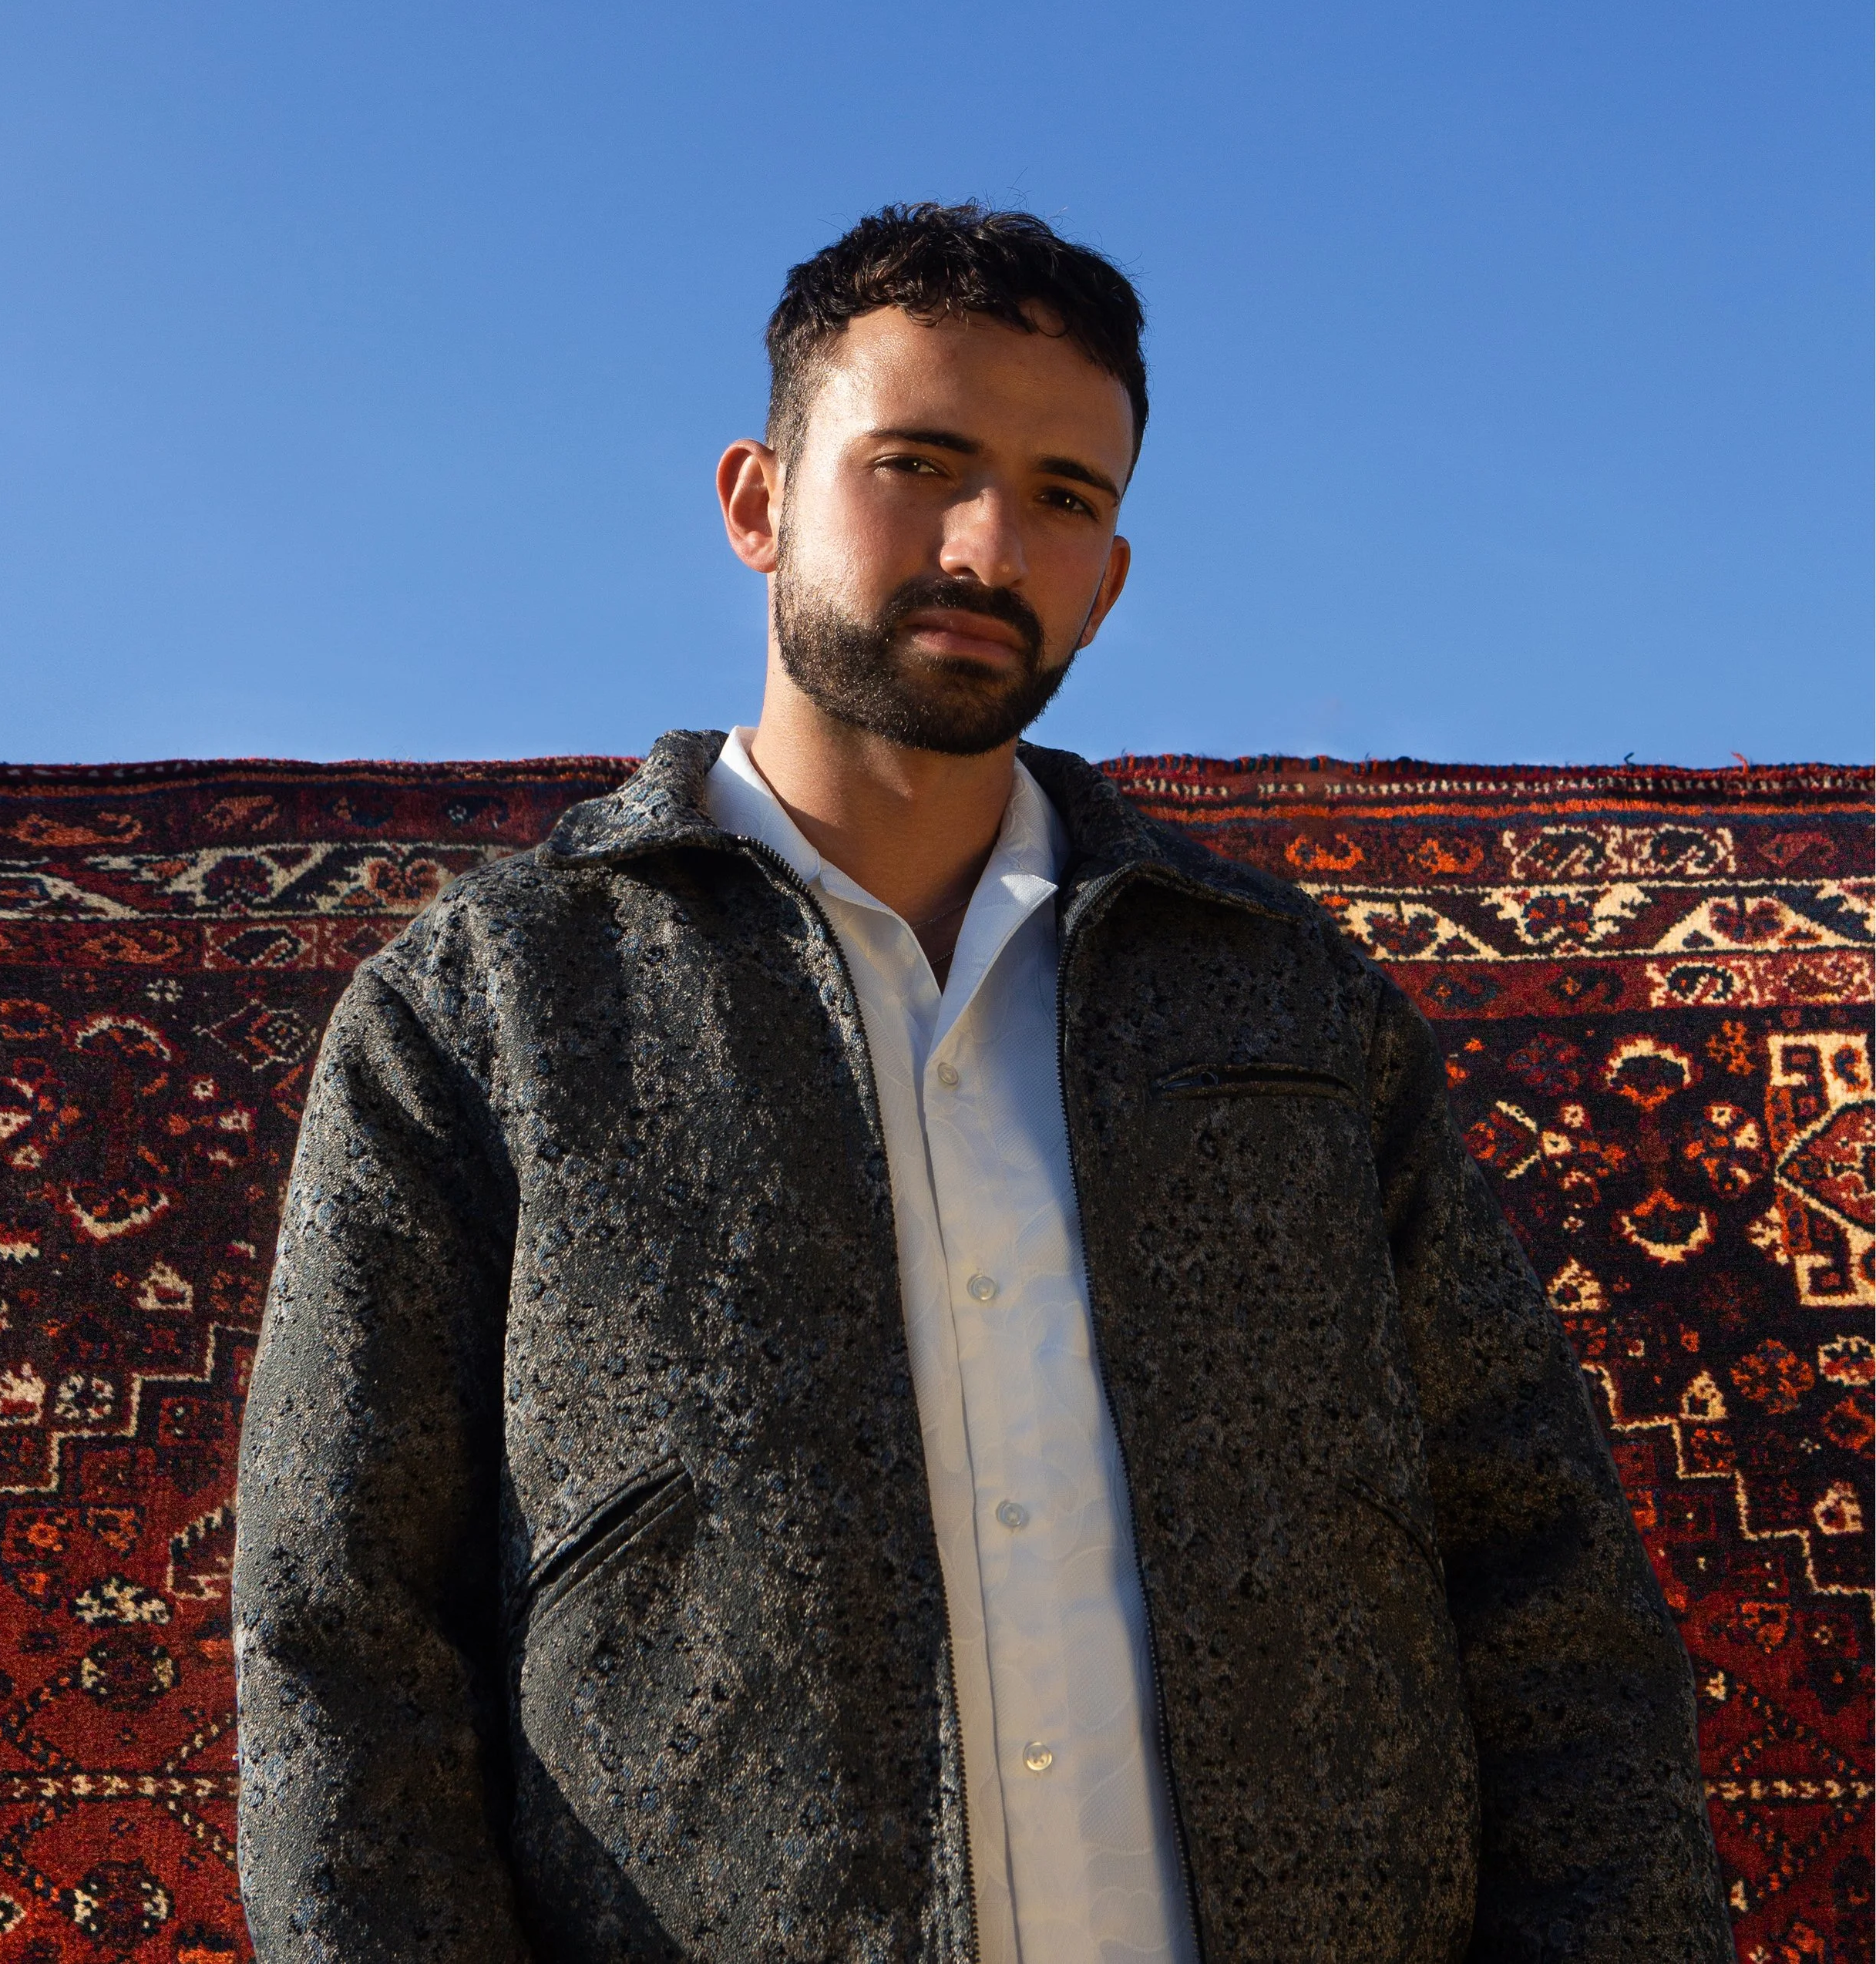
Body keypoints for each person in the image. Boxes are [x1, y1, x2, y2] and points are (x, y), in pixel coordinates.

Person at [234, 203, 1730, 1963]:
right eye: (916, 461)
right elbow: (339, 1638)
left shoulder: (1290, 1001)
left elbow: (1542, 1576)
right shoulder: (483, 1007)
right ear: (755, 497)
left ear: (1107, 574)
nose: (984, 542)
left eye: (1061, 496)